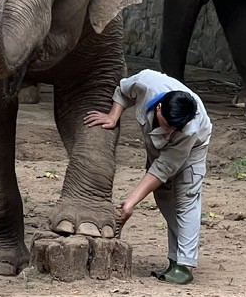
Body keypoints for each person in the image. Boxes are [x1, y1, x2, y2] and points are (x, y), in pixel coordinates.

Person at [84, 69, 212, 285]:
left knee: (186, 198)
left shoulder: (189, 128)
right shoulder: (145, 82)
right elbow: (124, 91)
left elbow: (163, 168)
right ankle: (176, 259)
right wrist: (113, 116)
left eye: (175, 128)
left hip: (193, 148)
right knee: (164, 196)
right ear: (159, 106)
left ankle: (184, 265)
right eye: (167, 125)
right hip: (157, 146)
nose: (170, 131)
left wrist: (131, 202)